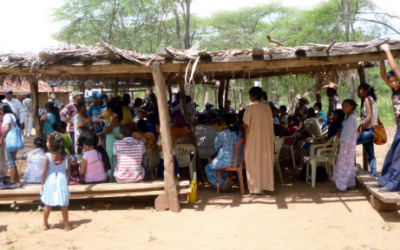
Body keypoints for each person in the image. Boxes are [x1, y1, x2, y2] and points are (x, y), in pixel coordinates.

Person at [40, 132, 76, 231]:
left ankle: (45, 224)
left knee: (48, 203)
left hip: (50, 179)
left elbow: (44, 172)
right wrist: (67, 182)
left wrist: (42, 183)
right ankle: (66, 225)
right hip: (62, 178)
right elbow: (68, 171)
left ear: (53, 144)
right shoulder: (66, 156)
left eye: (48, 141)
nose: (46, 143)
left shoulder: (48, 155)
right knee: (64, 203)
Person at [243, 87, 275, 193]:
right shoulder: (267, 106)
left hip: (254, 138)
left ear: (253, 96)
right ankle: (264, 186)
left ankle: (256, 187)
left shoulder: (251, 106)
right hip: (266, 139)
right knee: (264, 162)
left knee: (253, 161)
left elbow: (246, 124)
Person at [378, 43, 400, 192]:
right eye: (391, 81)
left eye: (395, 80)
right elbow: (383, 75)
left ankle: (393, 184)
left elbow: (395, 70)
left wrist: (387, 51)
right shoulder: (393, 90)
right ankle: (384, 180)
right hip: (399, 126)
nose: (393, 83)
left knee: (398, 156)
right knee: (392, 153)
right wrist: (380, 59)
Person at [205, 114, 243, 191]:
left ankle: (222, 184)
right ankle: (226, 183)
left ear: (225, 123)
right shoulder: (239, 133)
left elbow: (216, 147)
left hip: (227, 162)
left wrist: (219, 134)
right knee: (220, 167)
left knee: (207, 168)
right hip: (239, 162)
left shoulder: (223, 134)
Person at [332, 99, 358, 193]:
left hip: (347, 143)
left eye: (346, 105)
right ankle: (350, 183)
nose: (343, 107)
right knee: (348, 163)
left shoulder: (351, 118)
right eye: (343, 105)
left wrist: (340, 135)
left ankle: (342, 186)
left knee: (344, 164)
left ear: (351, 106)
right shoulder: (348, 117)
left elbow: (347, 132)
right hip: (347, 142)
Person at [356, 83, 378, 177]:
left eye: (359, 90)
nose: (358, 93)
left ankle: (353, 167)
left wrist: (360, 131)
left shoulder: (367, 99)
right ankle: (374, 174)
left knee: (350, 143)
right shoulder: (369, 99)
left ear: (365, 91)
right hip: (370, 130)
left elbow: (368, 117)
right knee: (370, 153)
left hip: (368, 131)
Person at [2, 88, 27, 159]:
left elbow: (22, 111)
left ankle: (23, 154)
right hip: (6, 121)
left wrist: (22, 121)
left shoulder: (16, 101)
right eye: (8, 93)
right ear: (5, 94)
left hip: (16, 121)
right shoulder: (3, 102)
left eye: (11, 93)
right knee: (8, 138)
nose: (10, 94)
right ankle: (12, 154)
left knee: (19, 137)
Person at [0, 104, 21, 183]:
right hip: (15, 140)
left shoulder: (7, 116)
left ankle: (13, 181)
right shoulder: (13, 115)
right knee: (12, 160)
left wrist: (1, 139)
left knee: (10, 161)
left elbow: (7, 128)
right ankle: (16, 181)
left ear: (3, 110)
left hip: (9, 140)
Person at [104, 100, 122, 182]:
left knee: (111, 161)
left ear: (110, 109)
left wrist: (105, 127)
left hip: (113, 143)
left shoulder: (115, 118)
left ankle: (112, 181)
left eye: (107, 109)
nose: (107, 111)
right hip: (114, 142)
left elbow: (107, 130)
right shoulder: (117, 118)